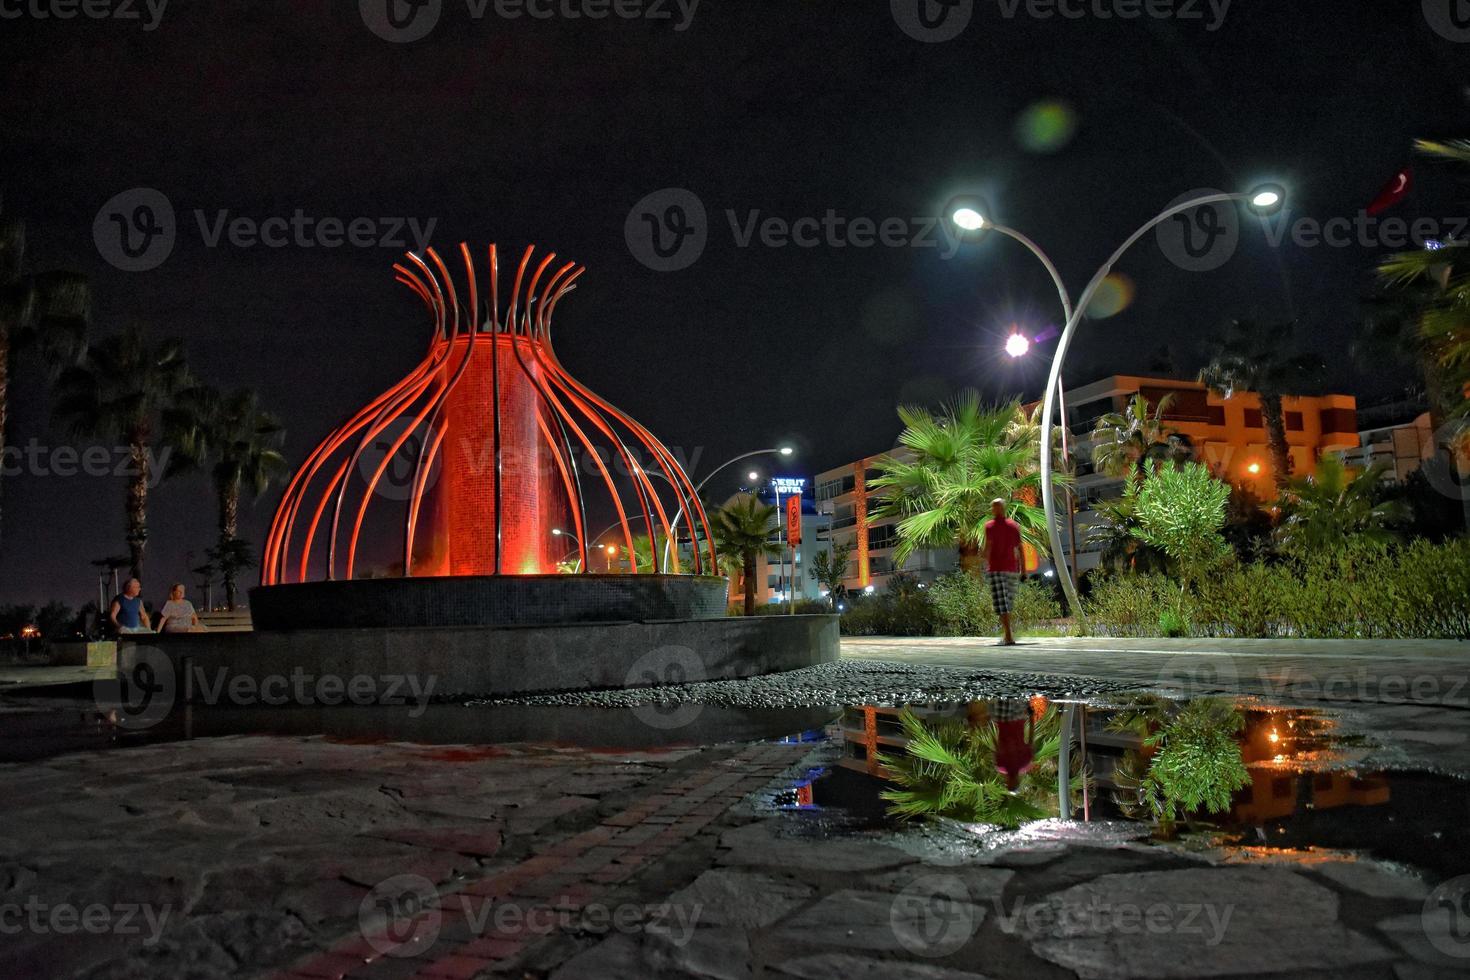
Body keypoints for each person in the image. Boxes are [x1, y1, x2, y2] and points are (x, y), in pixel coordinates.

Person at [982, 498, 1024, 646]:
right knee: (1004, 603)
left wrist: (1024, 569)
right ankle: (1008, 634)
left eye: (996, 507)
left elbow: (1019, 548)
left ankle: (1008, 635)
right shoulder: (996, 526)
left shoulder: (1005, 526)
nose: (994, 509)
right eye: (993, 507)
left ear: (1002, 508)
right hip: (1003, 569)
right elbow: (989, 546)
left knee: (1005, 603)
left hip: (1003, 568)